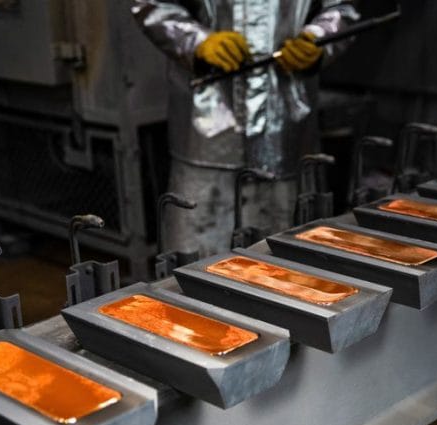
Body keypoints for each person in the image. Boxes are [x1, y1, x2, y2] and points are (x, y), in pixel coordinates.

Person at [132, 1, 359, 256]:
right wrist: (195, 41)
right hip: (208, 132)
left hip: (287, 129)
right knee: (197, 259)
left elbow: (342, 8)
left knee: (291, 260)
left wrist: (320, 38)